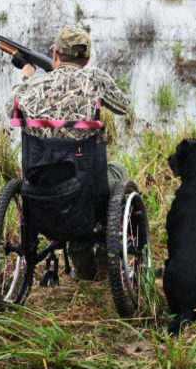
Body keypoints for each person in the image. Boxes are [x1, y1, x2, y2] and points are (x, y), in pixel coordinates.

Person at [8, 26, 130, 280]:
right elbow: (123, 107)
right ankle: (103, 254)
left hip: (40, 183)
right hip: (86, 186)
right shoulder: (95, 79)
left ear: (55, 54)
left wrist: (27, 76)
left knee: (75, 184)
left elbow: (11, 109)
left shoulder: (33, 85)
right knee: (116, 172)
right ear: (87, 59)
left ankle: (84, 270)